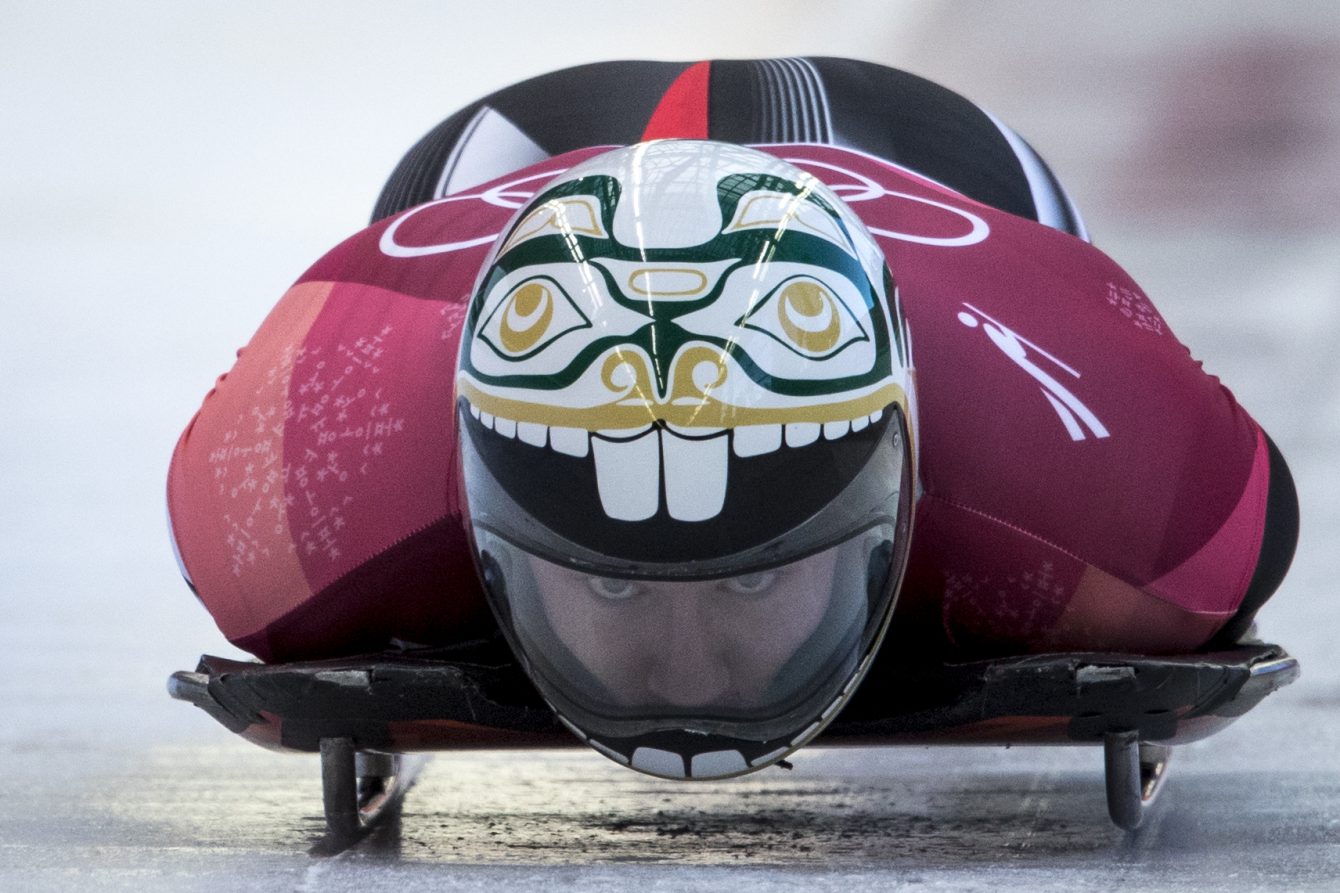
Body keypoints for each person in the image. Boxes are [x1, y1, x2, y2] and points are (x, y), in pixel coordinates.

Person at [167, 59, 1297, 779]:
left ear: (896, 487)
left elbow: (1245, 506)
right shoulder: (302, 474)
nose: (686, 671)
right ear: (471, 492)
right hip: (496, 169)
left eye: (751, 579)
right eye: (609, 583)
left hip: (943, 194)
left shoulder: (1117, 487)